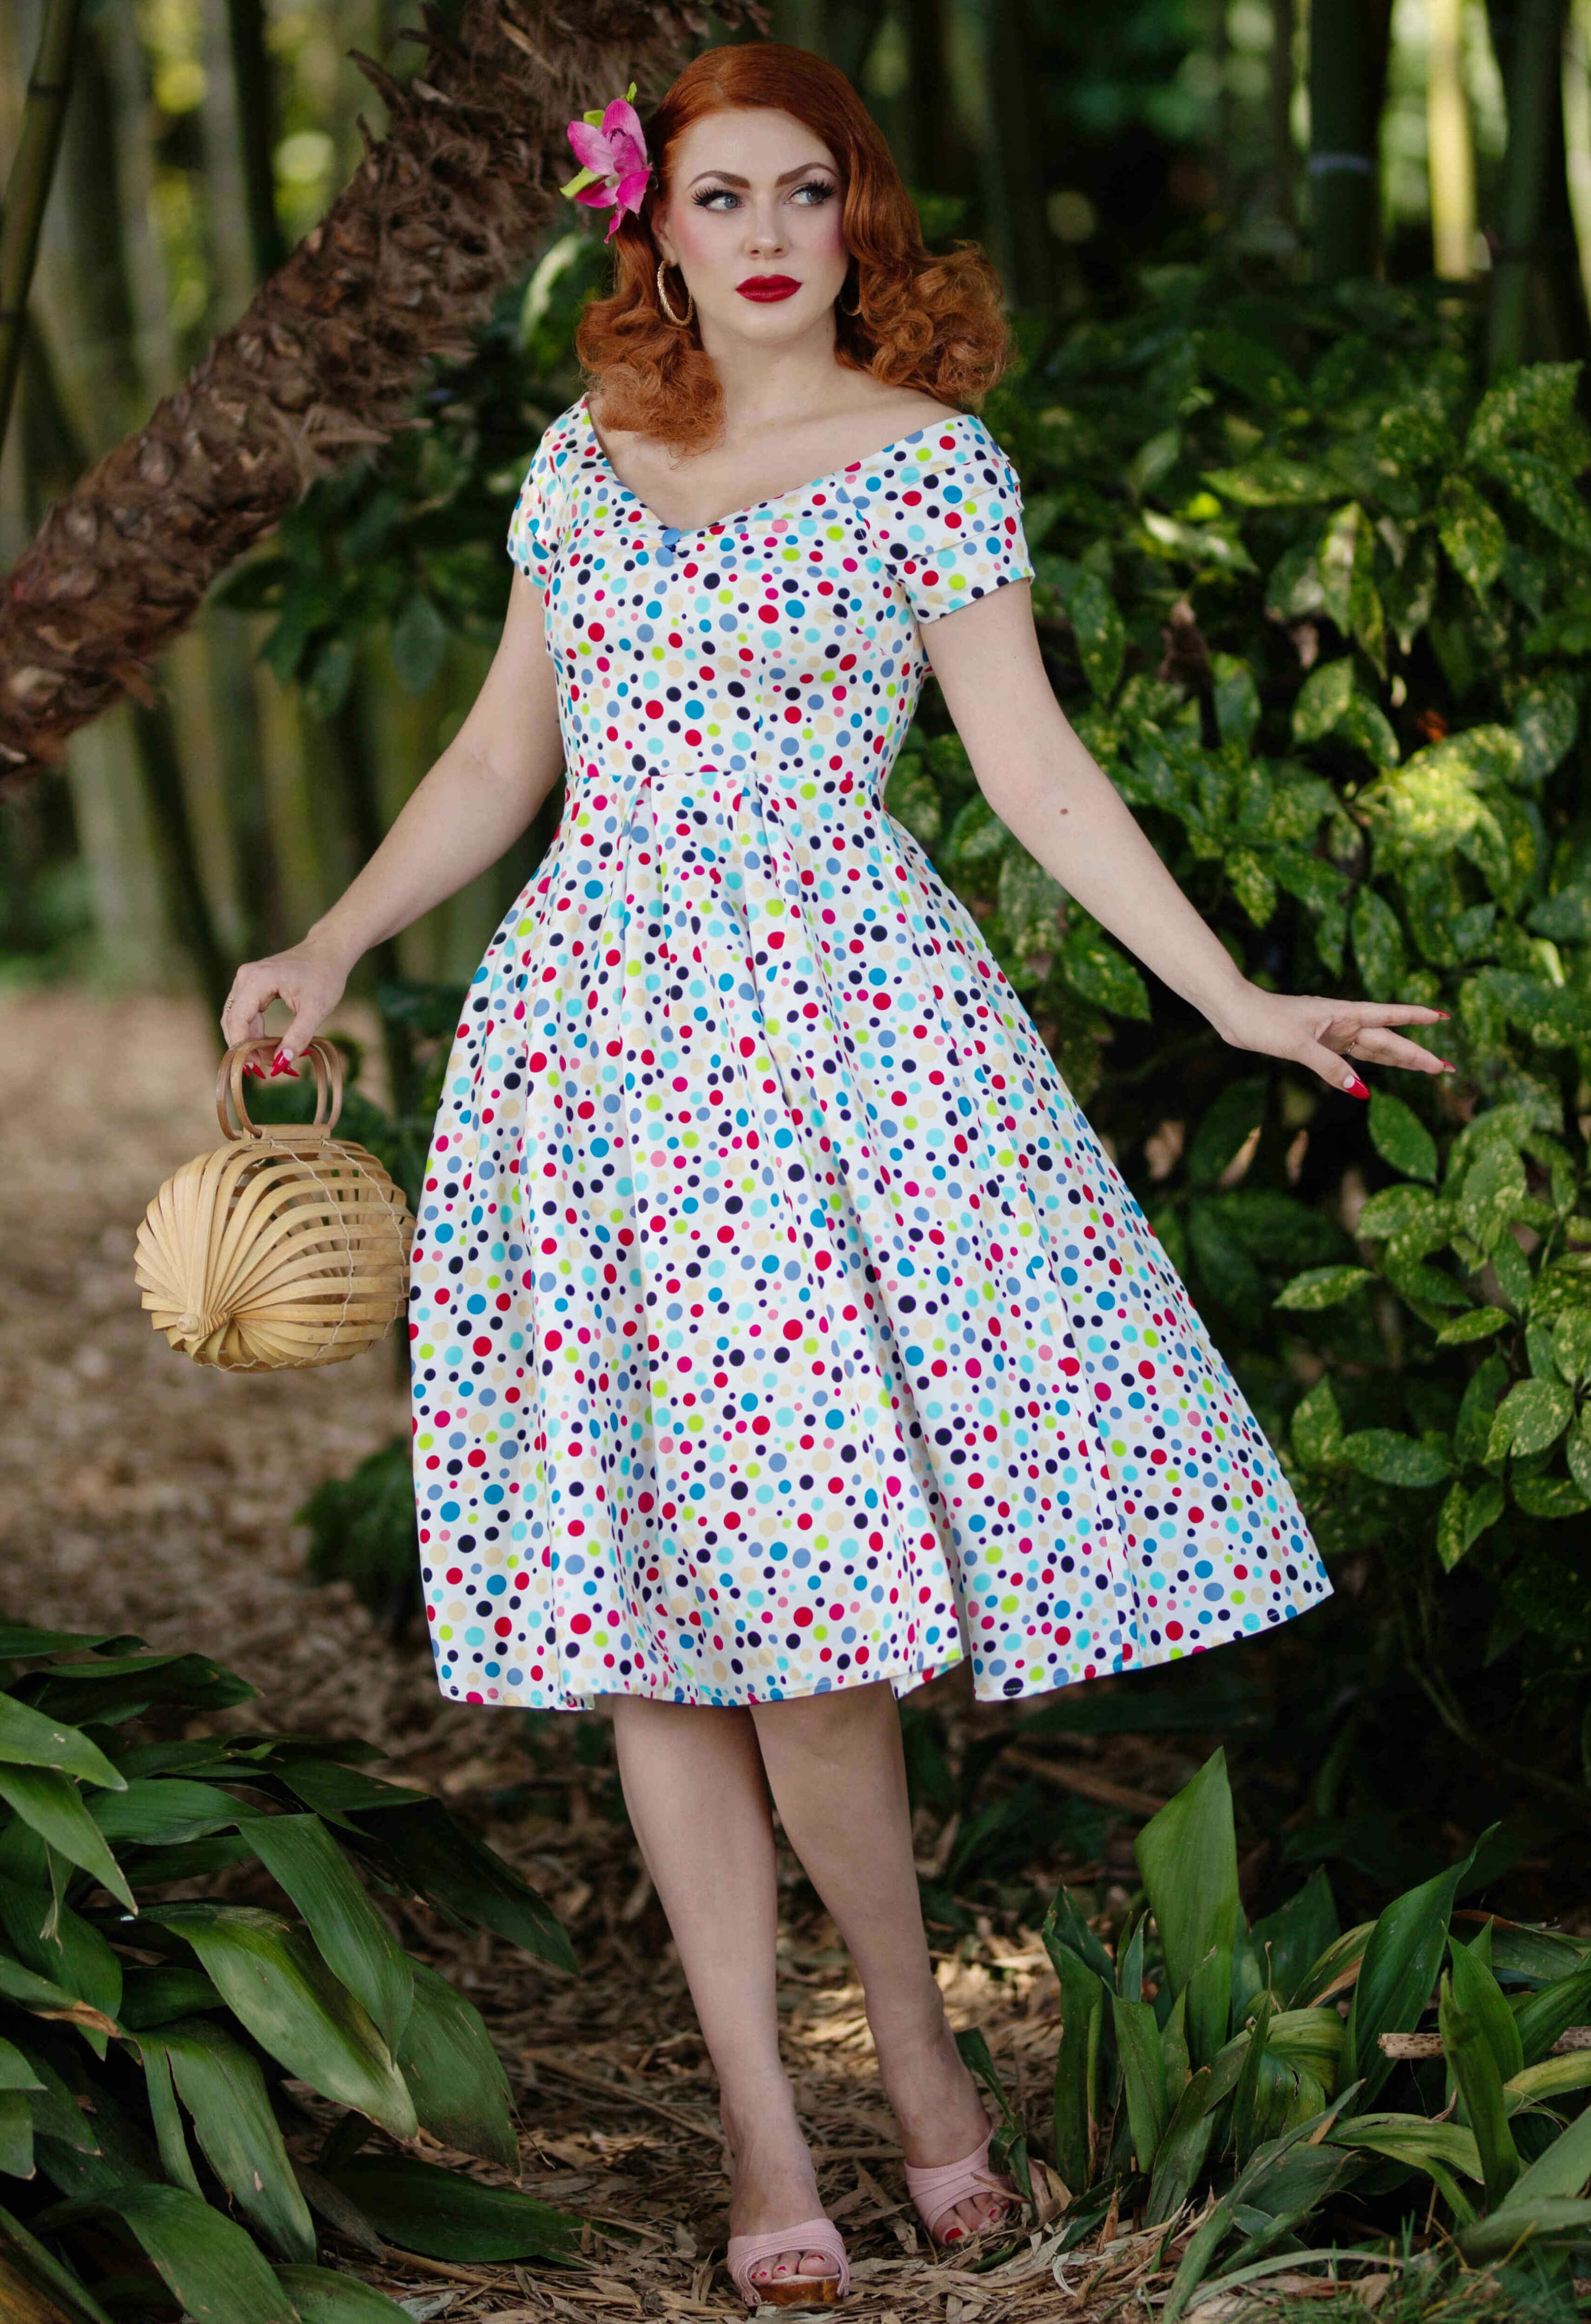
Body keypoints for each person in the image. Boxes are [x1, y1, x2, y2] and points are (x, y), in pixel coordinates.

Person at [222, 40, 1452, 2311]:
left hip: (825, 1056)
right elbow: (500, 756)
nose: (769, 233)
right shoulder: (581, 460)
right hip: (591, 1052)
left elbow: (1037, 770)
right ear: (654, 232)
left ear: (854, 213)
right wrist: (331, 938)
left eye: (806, 190)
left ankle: (918, 2056)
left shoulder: (929, 467)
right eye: (722, 197)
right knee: (649, 1620)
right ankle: (760, 2129)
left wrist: (1232, 996)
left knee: (811, 1624)